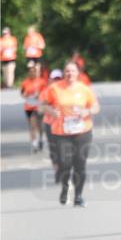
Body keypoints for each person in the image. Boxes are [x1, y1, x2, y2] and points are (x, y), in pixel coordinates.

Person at [42, 60, 99, 207]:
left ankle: (78, 196)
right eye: (67, 71)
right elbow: (43, 106)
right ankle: (65, 187)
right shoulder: (54, 88)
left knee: (80, 165)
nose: (70, 74)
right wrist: (51, 111)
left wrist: (87, 111)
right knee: (64, 163)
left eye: (73, 71)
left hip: (82, 131)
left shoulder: (84, 89)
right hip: (61, 131)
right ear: (63, 73)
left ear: (77, 73)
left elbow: (96, 106)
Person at [40, 68, 63, 181]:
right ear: (50, 80)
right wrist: (52, 112)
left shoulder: (66, 91)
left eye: (59, 79)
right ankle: (57, 169)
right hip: (50, 123)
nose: (57, 81)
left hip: (64, 125)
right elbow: (40, 108)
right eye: (55, 79)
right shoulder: (46, 92)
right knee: (54, 148)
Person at [20, 61, 47, 152]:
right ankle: (34, 144)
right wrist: (26, 95)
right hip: (29, 107)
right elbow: (22, 94)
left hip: (39, 106)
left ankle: (40, 139)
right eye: (30, 71)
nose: (32, 73)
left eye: (33, 71)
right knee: (32, 126)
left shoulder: (41, 82)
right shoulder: (25, 82)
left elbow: (46, 93)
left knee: (40, 126)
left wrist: (39, 95)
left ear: (36, 72)